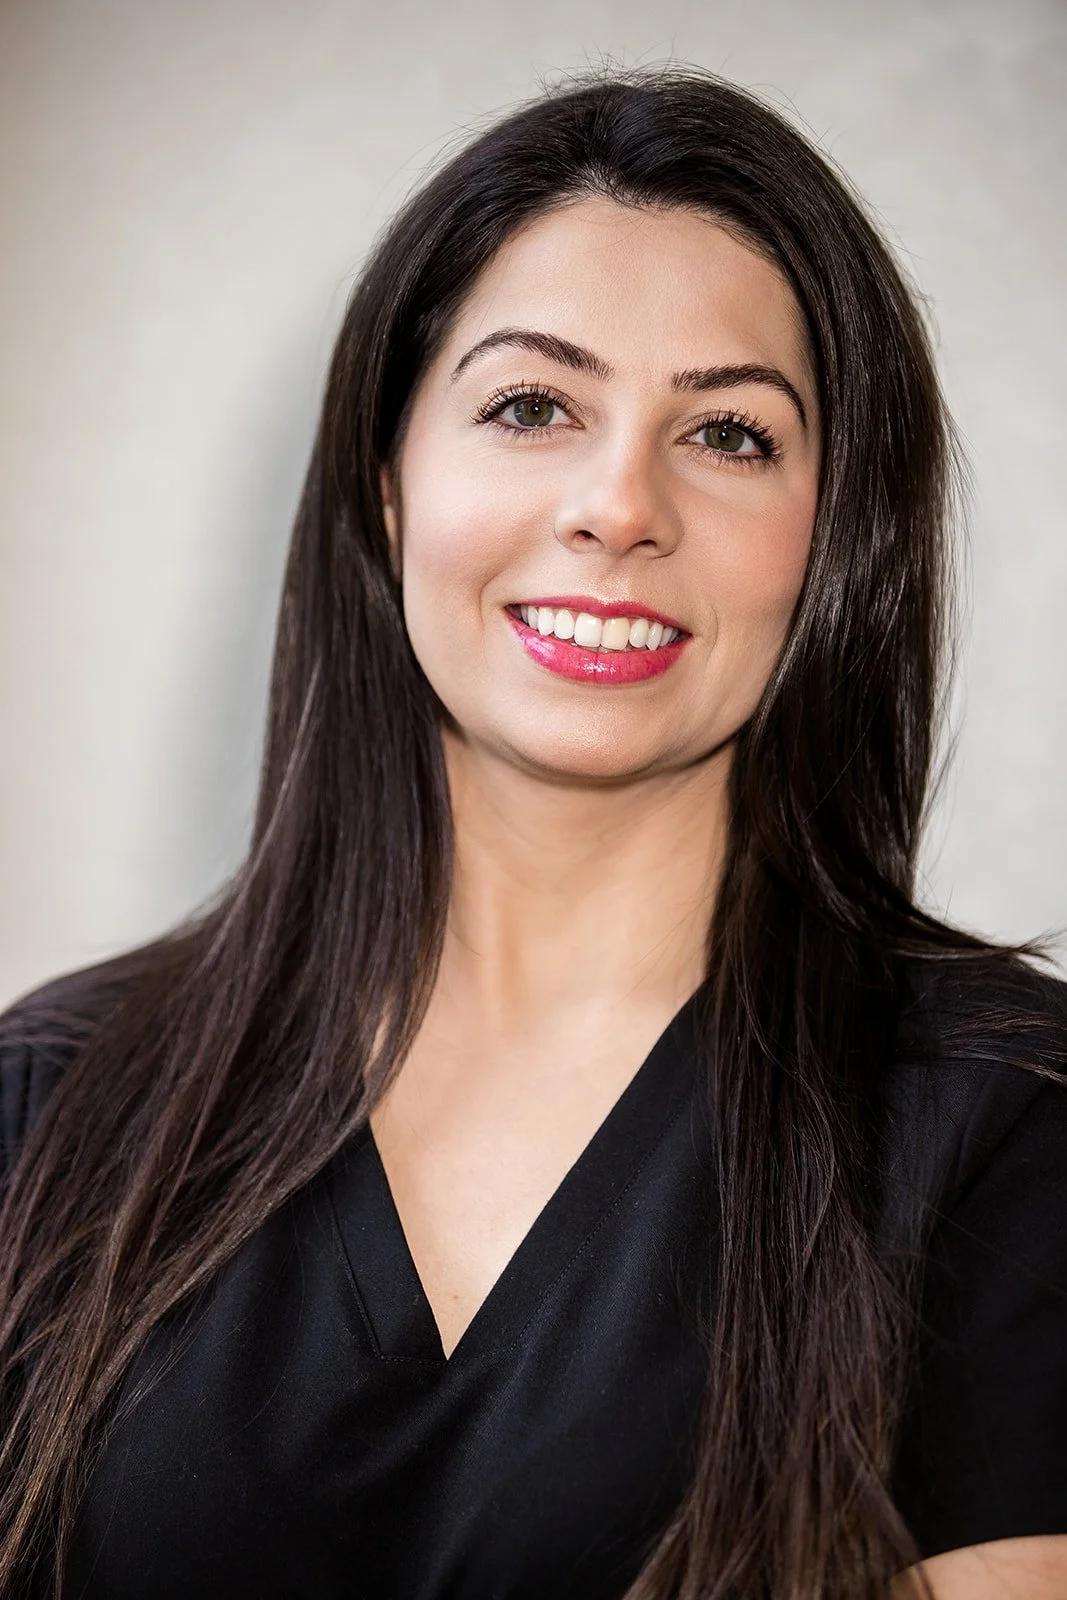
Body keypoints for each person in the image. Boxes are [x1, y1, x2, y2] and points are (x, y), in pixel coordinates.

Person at [0, 65, 1064, 1600]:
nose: (617, 503)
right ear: (387, 488)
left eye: (731, 436)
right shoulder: (47, 1108)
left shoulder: (999, 1127)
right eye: (528, 406)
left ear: (836, 539)